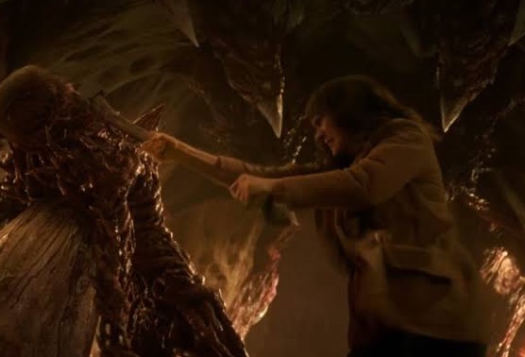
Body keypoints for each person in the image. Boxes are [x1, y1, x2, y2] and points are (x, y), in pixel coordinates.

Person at [140, 74, 491, 357]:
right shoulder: (339, 171)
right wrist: (181, 153)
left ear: (349, 111)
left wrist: (270, 187)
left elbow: (363, 186)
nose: (318, 133)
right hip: (384, 328)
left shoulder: (406, 140)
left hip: (437, 325)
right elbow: (259, 175)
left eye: (321, 121)